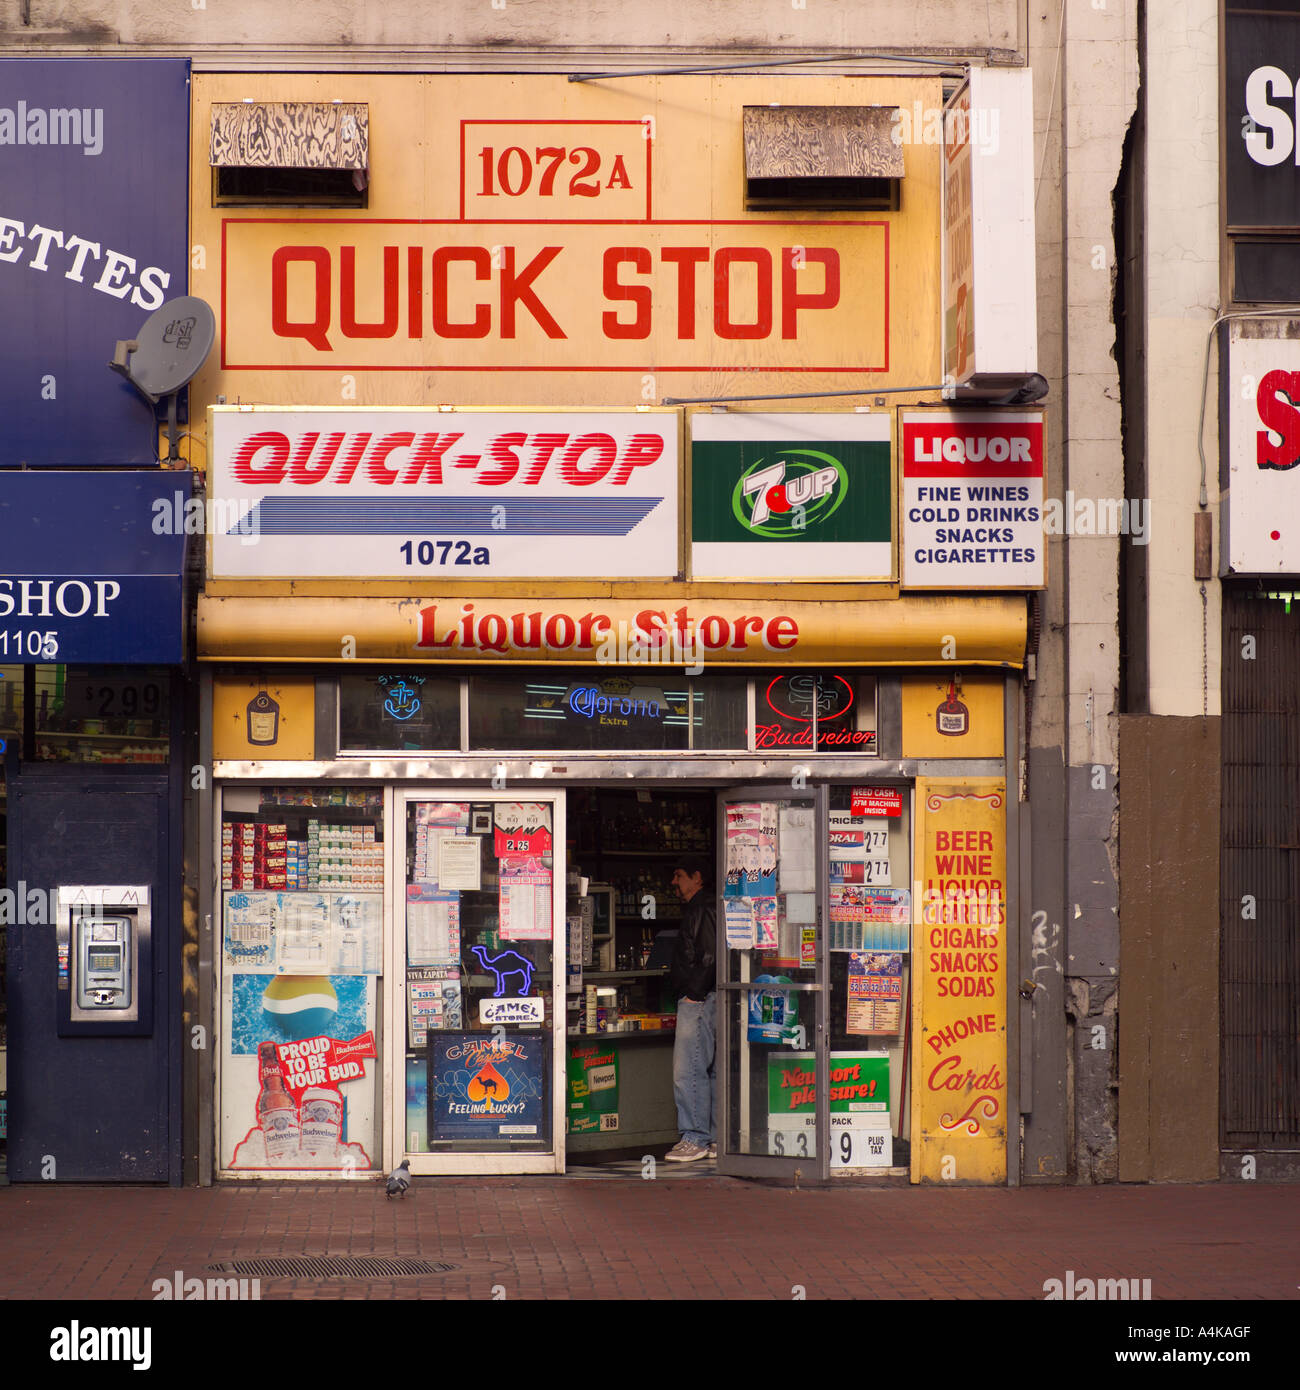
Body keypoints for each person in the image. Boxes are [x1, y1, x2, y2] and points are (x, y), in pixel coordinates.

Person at [665, 854, 716, 1162]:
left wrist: (694, 994)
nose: (674, 882)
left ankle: (695, 1138)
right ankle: (713, 1140)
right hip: (706, 997)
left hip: (699, 1000)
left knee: (688, 1070)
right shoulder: (704, 906)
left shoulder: (703, 907)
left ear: (697, 877)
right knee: (708, 1070)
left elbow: (708, 956)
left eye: (679, 875)